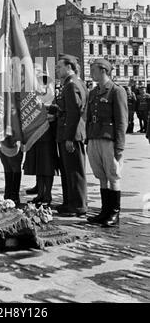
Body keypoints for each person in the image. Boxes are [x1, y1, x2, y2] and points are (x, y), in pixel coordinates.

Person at [86, 59, 128, 227]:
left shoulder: (117, 91)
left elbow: (121, 121)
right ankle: (104, 211)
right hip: (95, 137)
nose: (91, 73)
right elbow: (89, 117)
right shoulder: (94, 92)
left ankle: (114, 213)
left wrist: (120, 146)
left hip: (109, 139)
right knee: (101, 175)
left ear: (103, 70)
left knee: (113, 174)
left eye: (93, 69)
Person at [55, 54, 88, 217]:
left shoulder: (72, 85)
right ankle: (69, 202)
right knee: (68, 170)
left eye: (60, 67)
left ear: (69, 67)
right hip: (66, 132)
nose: (57, 69)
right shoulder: (70, 83)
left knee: (75, 170)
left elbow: (74, 113)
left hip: (72, 135)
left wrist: (69, 137)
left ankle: (78, 205)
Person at [23, 64, 60, 207]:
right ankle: (41, 193)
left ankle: (47, 195)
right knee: (39, 165)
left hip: (46, 133)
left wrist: (44, 114)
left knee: (47, 166)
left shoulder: (50, 94)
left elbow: (54, 113)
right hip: (35, 134)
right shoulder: (33, 94)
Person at [0, 139, 23, 207]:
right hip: (3, 143)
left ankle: (13, 196)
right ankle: (9, 196)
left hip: (12, 142)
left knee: (14, 168)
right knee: (8, 168)